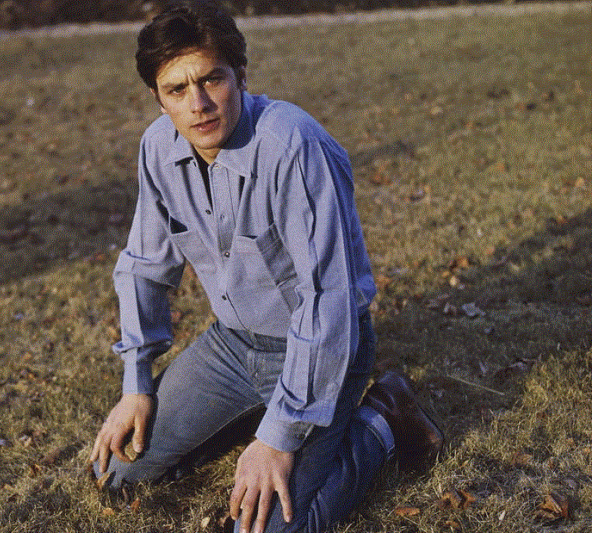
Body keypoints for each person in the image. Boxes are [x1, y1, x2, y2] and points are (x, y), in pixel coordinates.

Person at [89, 2, 443, 532]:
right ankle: (259, 416)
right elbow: (143, 266)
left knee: (264, 529)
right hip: (232, 346)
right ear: (159, 100)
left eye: (212, 80)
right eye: (177, 90)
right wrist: (136, 384)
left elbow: (327, 301)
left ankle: (382, 420)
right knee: (112, 472)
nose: (198, 104)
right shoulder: (157, 148)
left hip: (321, 350)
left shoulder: (293, 145)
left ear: (241, 75)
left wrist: (278, 439)